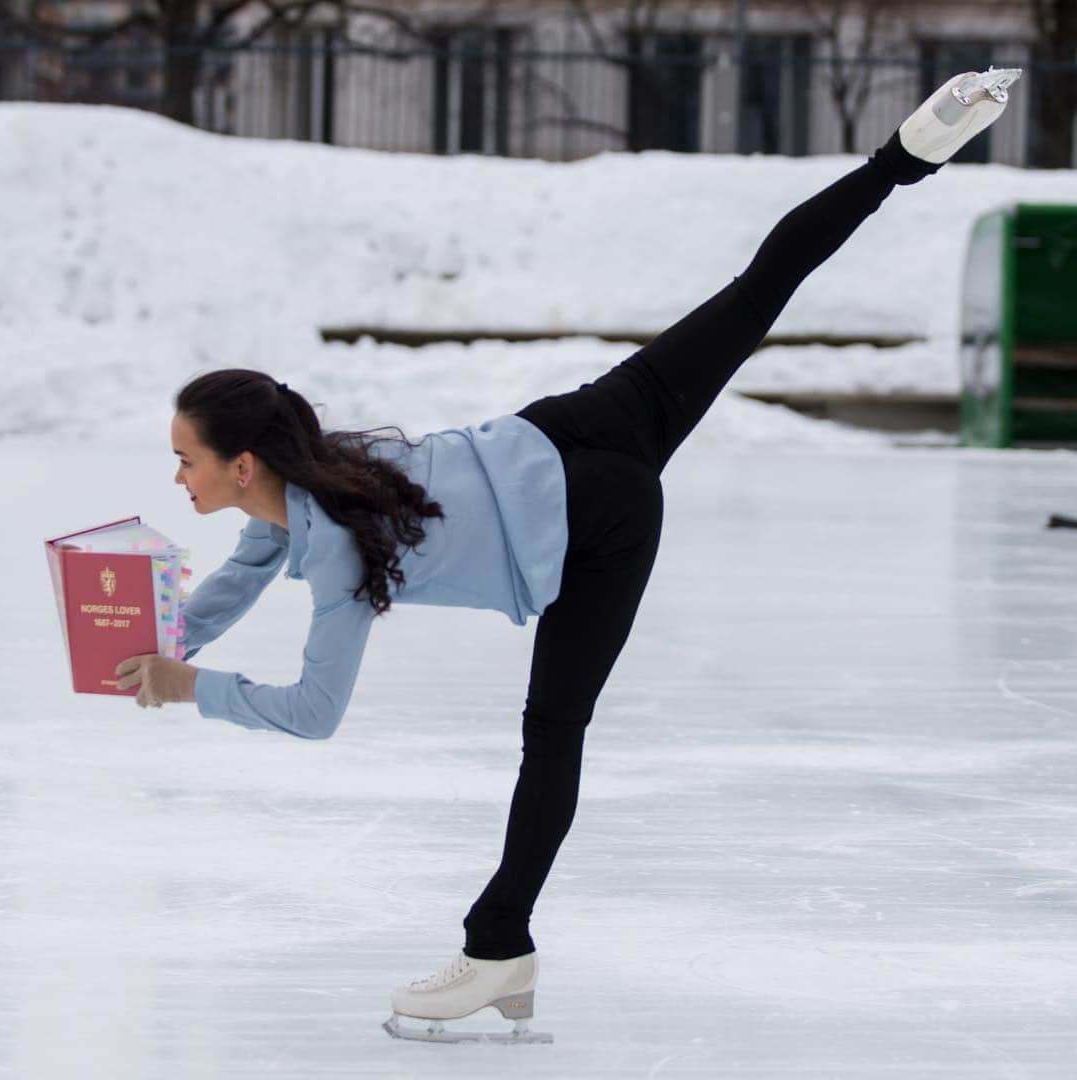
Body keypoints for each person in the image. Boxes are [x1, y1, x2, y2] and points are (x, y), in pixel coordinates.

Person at [114, 68, 1021, 1043]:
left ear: (242, 462)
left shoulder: (333, 547)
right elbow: (240, 575)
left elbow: (312, 712)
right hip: (571, 428)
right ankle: (908, 152)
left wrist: (184, 686)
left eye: (185, 460)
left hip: (597, 517)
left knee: (554, 734)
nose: (177, 479)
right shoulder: (315, 474)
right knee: (759, 290)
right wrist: (162, 637)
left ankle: (500, 944)